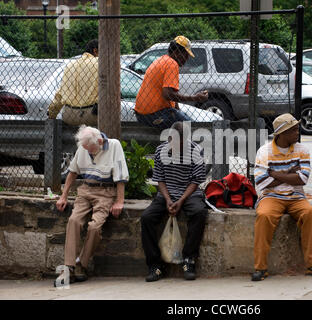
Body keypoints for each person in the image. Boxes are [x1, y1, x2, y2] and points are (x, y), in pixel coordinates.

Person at [251, 113, 312, 281]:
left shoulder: (302, 150)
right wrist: (288, 173)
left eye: (297, 129)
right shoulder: (265, 152)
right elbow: (262, 182)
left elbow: (302, 179)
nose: (297, 133)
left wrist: (275, 174)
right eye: (293, 130)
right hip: (271, 196)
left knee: (310, 214)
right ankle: (260, 268)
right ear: (282, 133)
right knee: (264, 216)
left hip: (296, 196)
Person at [54, 125, 129, 287]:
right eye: (85, 148)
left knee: (94, 227)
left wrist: (119, 201)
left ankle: (81, 264)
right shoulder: (84, 146)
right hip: (86, 190)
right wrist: (63, 196)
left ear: (100, 141)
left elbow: (121, 177)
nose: (88, 151)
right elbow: (73, 172)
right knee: (74, 220)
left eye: (90, 149)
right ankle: (68, 267)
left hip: (106, 191)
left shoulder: (114, 146)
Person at [140, 121, 208, 282]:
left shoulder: (196, 151)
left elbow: (196, 180)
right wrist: (168, 199)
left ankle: (189, 260)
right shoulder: (160, 151)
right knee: (147, 218)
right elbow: (160, 179)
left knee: (199, 213)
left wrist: (181, 200)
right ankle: (155, 265)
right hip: (166, 194)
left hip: (189, 194)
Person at [134, 35, 208, 130]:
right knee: (193, 129)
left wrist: (179, 113)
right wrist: (195, 98)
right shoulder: (172, 64)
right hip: (155, 115)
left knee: (181, 120)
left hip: (142, 116)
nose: (187, 59)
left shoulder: (161, 60)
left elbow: (172, 97)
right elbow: (167, 94)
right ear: (176, 52)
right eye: (185, 55)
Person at [48, 39, 99, 127]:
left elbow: (60, 93)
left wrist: (51, 113)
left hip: (69, 115)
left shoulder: (70, 65)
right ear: (95, 51)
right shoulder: (100, 62)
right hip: (92, 115)